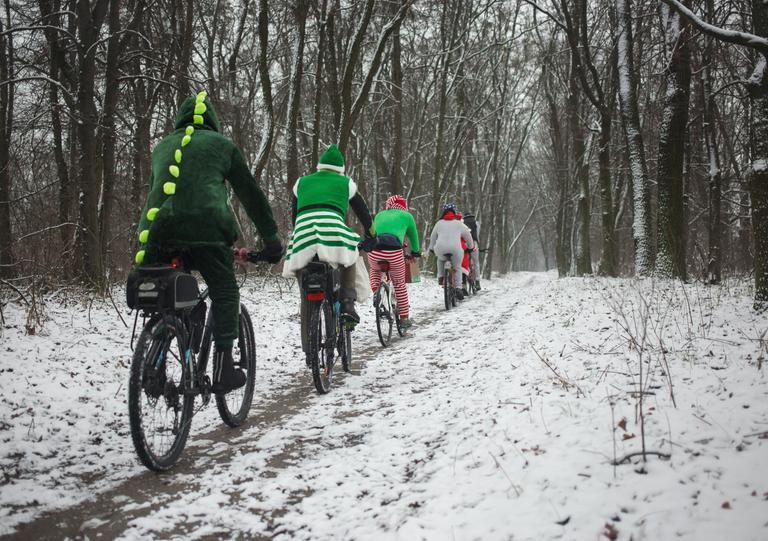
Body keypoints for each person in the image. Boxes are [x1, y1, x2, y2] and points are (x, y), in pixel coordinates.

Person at [134, 91, 283, 394]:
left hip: (159, 233)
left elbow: (155, 193)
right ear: (212, 122)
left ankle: (156, 361)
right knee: (225, 289)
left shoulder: (162, 147)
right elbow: (250, 195)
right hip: (207, 231)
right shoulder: (222, 146)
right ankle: (224, 368)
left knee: (167, 293)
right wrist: (271, 240)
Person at [282, 144, 373, 352]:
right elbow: (364, 214)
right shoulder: (346, 183)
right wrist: (372, 236)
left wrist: (303, 233)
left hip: (303, 234)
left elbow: (295, 216)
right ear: (340, 169)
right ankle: (348, 302)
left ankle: (308, 348)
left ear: (320, 166)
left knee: (306, 294)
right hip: (333, 229)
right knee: (351, 253)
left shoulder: (301, 183)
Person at [367, 195, 420, 328]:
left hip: (374, 251)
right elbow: (413, 236)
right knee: (399, 284)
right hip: (394, 253)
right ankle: (404, 319)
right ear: (404, 206)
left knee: (374, 269)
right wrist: (415, 251)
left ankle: (376, 292)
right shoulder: (407, 216)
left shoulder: (379, 215)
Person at [428, 203, 473, 300]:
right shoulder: (459, 223)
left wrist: (431, 248)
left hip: (441, 248)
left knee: (440, 259)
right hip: (456, 249)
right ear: (454, 212)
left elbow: (433, 237)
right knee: (457, 267)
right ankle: (458, 288)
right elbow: (468, 236)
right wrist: (470, 247)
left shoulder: (439, 223)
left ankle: (441, 277)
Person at [462, 212, 481, 290]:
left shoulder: (462, 223)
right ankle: (477, 282)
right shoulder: (476, 223)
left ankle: (463, 283)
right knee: (476, 263)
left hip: (465, 243)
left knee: (463, 262)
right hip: (474, 243)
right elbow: (477, 234)